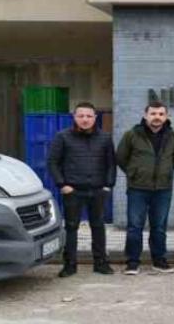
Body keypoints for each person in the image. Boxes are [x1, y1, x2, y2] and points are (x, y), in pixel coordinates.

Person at [47, 102, 115, 277]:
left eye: (89, 116)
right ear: (74, 117)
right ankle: (69, 264)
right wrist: (62, 185)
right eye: (81, 116)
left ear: (95, 117)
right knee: (71, 227)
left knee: (98, 227)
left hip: (98, 190)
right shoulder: (62, 137)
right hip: (73, 190)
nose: (85, 119)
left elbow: (111, 164)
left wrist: (108, 185)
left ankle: (101, 263)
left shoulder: (105, 138)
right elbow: (53, 162)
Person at [116, 101, 174, 275]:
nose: (157, 117)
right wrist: (133, 173)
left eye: (161, 114)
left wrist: (165, 173)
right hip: (138, 188)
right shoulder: (132, 135)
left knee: (159, 227)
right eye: (153, 114)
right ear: (146, 115)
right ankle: (132, 262)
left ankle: (159, 261)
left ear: (166, 116)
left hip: (163, 189)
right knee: (134, 226)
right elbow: (121, 158)